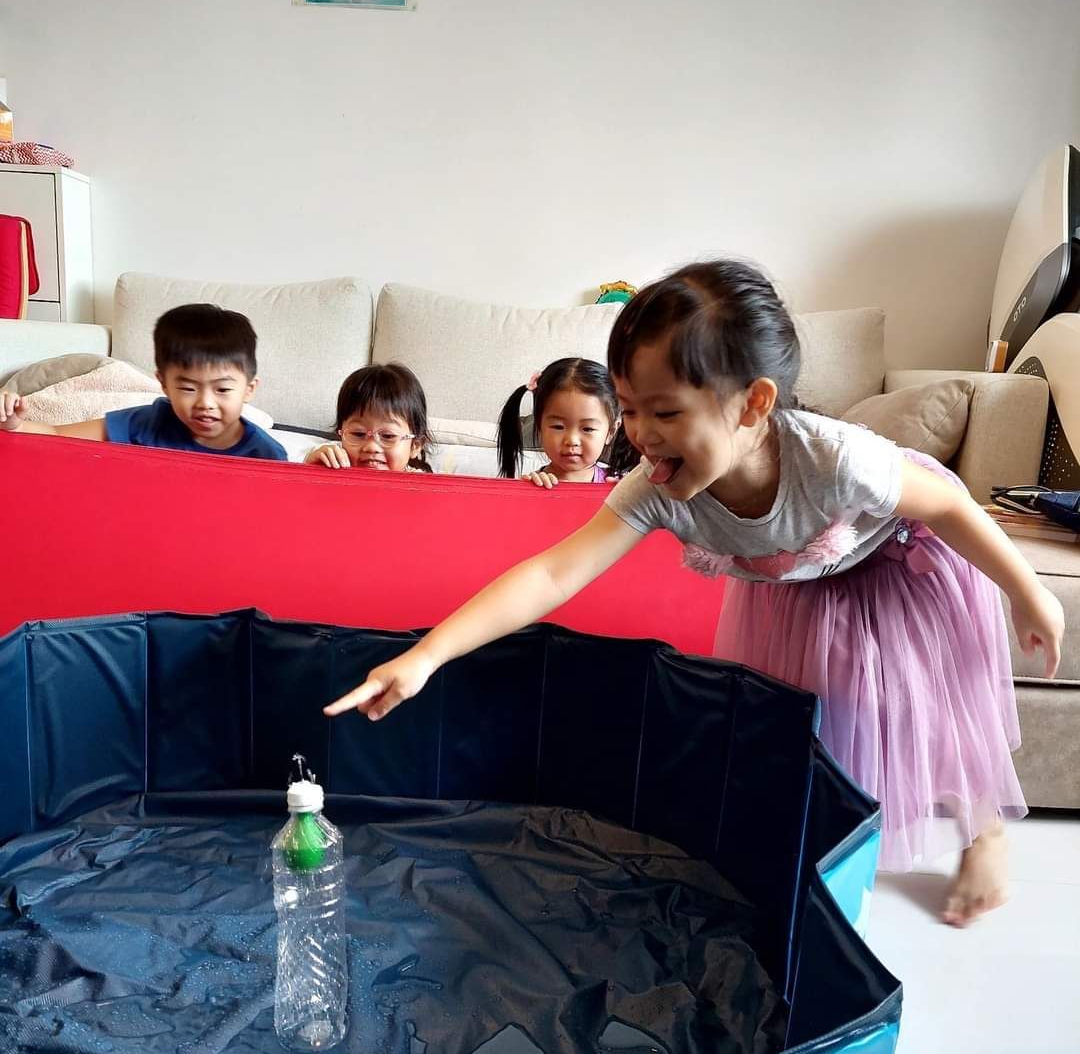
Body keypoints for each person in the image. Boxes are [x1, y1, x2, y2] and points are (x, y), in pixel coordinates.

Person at [323, 260, 1065, 927]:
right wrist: (426, 656)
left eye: (666, 412)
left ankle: (984, 830)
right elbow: (553, 572)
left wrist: (1031, 594)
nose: (641, 435)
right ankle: (821, 859)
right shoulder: (662, 487)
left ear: (752, 403)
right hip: (795, 593)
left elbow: (947, 505)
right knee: (817, 730)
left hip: (895, 571)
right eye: (630, 409)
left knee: (921, 711)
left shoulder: (838, 461)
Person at [0, 304, 286, 460]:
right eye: (187, 388)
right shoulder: (146, 422)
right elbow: (55, 435)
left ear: (249, 389)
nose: (205, 403)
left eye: (223, 389)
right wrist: (14, 423)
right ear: (163, 384)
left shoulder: (266, 454)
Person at [496, 356, 637, 487]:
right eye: (558, 426)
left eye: (587, 429)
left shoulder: (618, 485)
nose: (572, 440)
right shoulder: (535, 484)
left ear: (611, 431)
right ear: (539, 426)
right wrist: (526, 494)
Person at [305, 363, 433, 472]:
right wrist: (310, 472)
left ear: (415, 445)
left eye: (388, 436)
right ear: (341, 436)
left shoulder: (423, 489)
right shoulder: (334, 472)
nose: (371, 447)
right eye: (358, 433)